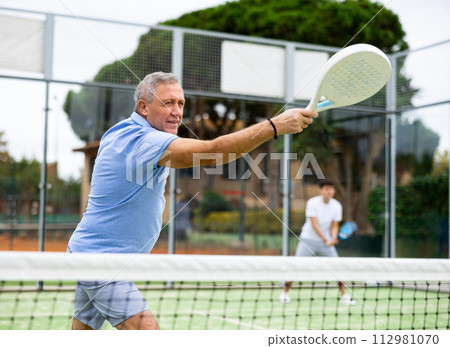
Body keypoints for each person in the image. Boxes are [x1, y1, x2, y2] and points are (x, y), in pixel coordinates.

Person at [67, 71, 318, 330]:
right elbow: (213, 153)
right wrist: (274, 126)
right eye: (168, 103)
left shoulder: (119, 132)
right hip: (102, 260)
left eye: (181, 103)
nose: (177, 111)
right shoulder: (142, 140)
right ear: (143, 107)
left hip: (92, 253)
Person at [279, 180, 355, 305]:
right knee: (297, 266)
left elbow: (335, 225)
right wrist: (326, 239)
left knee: (337, 268)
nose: (329, 191)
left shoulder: (337, 206)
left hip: (325, 242)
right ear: (321, 190)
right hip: (307, 240)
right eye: (327, 189)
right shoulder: (312, 203)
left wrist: (334, 237)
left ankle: (344, 296)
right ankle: (284, 293)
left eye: (331, 189)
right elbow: (314, 224)